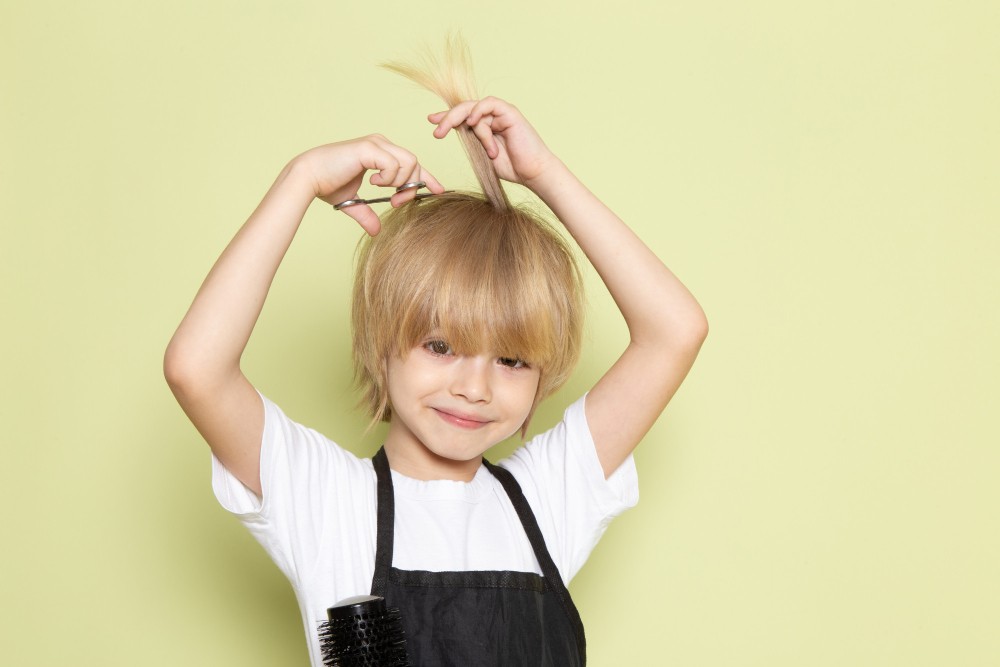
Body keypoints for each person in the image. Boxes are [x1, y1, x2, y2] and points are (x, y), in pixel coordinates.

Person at [164, 41, 708, 666]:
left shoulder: (548, 499)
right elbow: (196, 369)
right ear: (382, 342)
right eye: (442, 345)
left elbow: (675, 330)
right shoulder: (327, 501)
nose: (475, 387)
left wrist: (543, 175)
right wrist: (302, 178)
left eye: (511, 360)